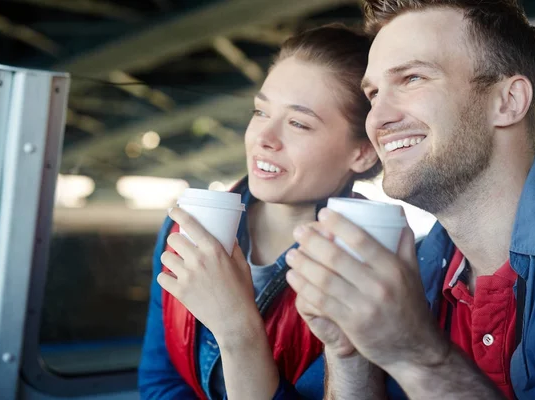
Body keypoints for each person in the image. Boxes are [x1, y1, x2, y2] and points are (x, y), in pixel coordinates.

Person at [285, 1, 535, 399]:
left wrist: (417, 355)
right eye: (374, 94)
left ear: (508, 101)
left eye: (412, 79)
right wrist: (350, 353)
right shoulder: (404, 275)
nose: (376, 120)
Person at [138, 24, 382, 400]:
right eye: (260, 111)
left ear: (363, 152)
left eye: (299, 123)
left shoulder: (371, 270)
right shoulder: (186, 227)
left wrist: (238, 330)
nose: (263, 138)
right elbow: (160, 382)